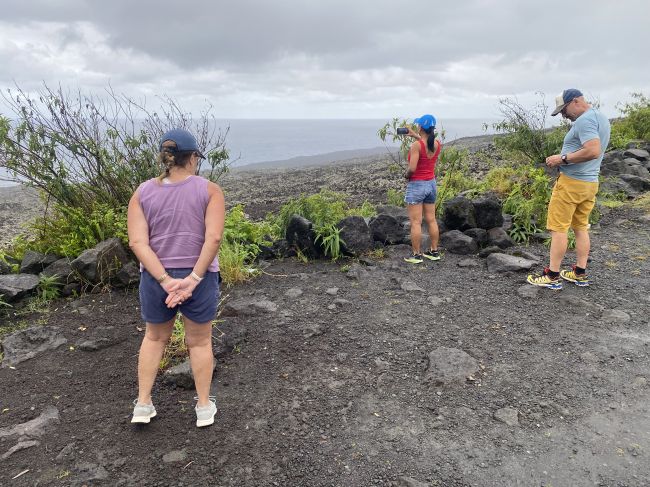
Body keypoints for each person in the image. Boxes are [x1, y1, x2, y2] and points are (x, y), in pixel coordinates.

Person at [127, 128, 225, 427]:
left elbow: (137, 243)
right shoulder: (210, 190)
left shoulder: (142, 193)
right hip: (199, 277)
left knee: (154, 338)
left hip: (156, 280)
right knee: (199, 342)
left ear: (166, 158)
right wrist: (193, 279)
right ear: (193, 157)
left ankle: (143, 404)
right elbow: (214, 238)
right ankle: (204, 408)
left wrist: (166, 280)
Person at [527, 89, 610, 290]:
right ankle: (579, 273)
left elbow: (592, 150)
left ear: (575, 101)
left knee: (558, 228)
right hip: (590, 183)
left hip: (572, 183)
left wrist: (561, 159)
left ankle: (552, 275)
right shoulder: (601, 117)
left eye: (564, 110)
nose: (564, 115)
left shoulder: (584, 120)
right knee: (580, 227)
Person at [402, 114, 443, 264]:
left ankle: (416, 255)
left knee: (416, 222)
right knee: (431, 220)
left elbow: (412, 168)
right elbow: (426, 145)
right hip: (431, 184)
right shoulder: (437, 143)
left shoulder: (416, 146)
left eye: (418, 125)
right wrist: (415, 136)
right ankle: (434, 251)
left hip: (417, 185)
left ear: (421, 127)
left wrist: (406, 175)